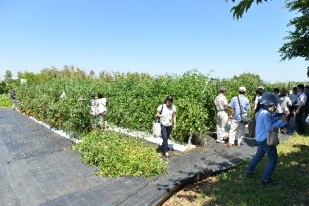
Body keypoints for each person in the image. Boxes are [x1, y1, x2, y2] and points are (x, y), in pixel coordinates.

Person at [247, 92, 287, 185]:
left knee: (258, 156)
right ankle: (266, 179)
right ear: (270, 102)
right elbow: (271, 128)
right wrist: (282, 121)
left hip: (259, 138)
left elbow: (269, 122)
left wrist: (278, 119)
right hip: (266, 140)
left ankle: (249, 172)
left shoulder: (260, 110)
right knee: (273, 159)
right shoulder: (266, 113)